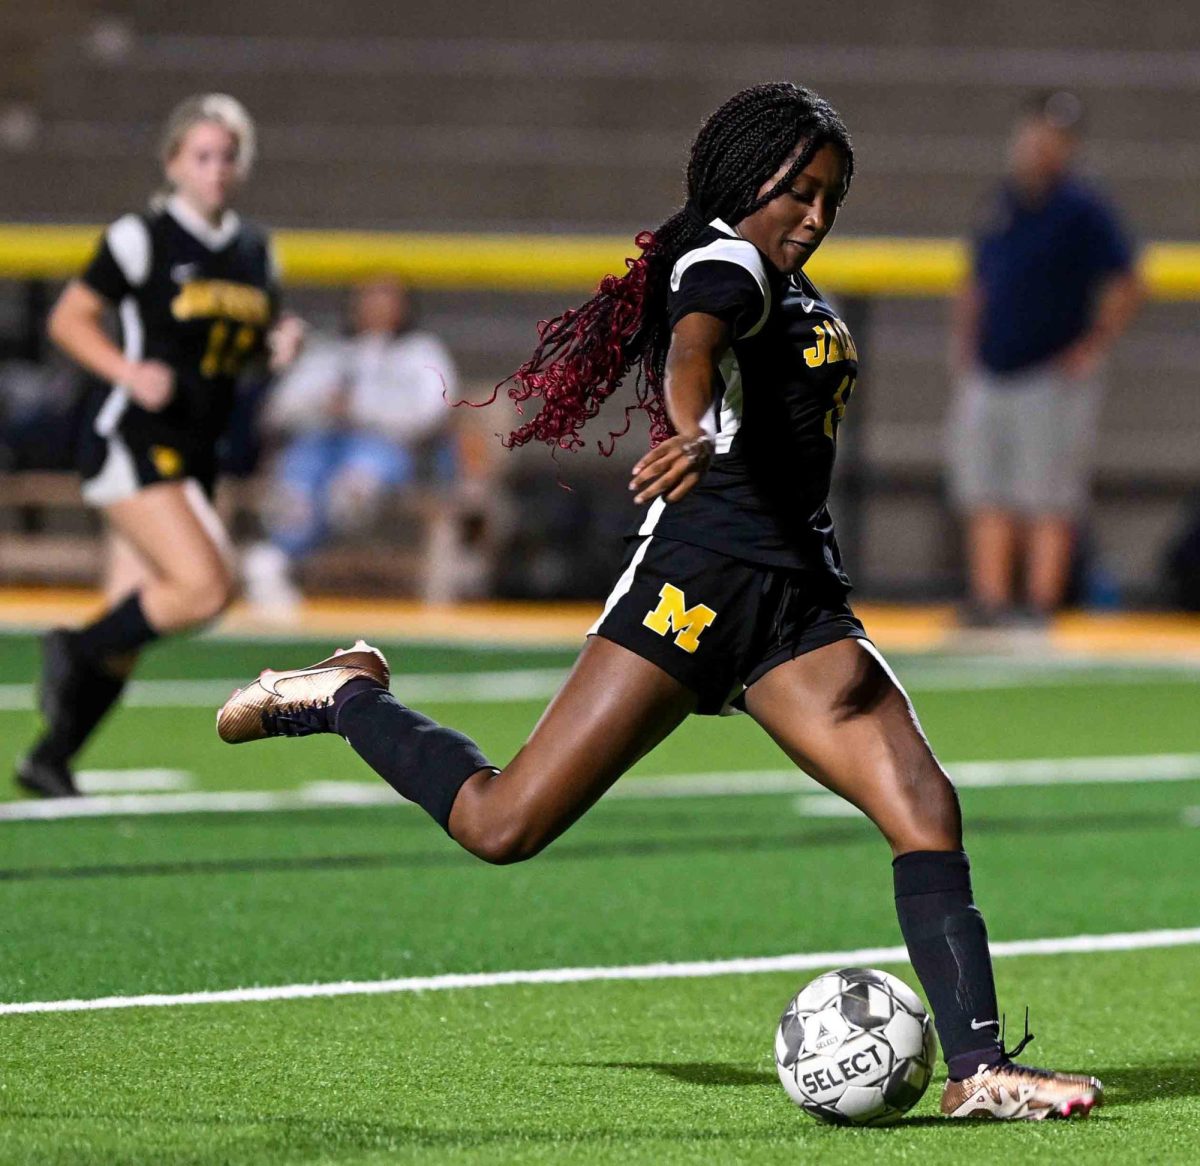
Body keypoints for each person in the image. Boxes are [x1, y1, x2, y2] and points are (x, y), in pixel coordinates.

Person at [217, 84, 1100, 1120]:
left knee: (924, 807)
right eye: (800, 191)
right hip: (698, 580)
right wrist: (684, 428)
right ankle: (346, 693)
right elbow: (693, 342)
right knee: (503, 823)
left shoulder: (790, 281)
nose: (815, 216)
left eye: (833, 201)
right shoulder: (725, 260)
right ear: (745, 176)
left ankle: (978, 1067)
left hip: (797, 604)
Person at [16, 93, 303, 798]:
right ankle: (71, 647)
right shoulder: (141, 236)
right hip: (132, 437)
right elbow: (69, 318)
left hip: (195, 451)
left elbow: (242, 351)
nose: (215, 169)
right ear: (174, 162)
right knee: (207, 586)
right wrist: (124, 369)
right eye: (201, 155)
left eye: (227, 157)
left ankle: (50, 757)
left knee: (135, 621)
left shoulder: (253, 251)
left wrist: (276, 347)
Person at [948, 91, 1140, 626]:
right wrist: (966, 343)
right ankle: (989, 601)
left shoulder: (1083, 209)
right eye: (1035, 135)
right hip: (992, 368)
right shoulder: (1003, 201)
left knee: (1047, 493)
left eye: (1054, 139)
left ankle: (1039, 603)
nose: (1041, 147)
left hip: (1050, 373)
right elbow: (977, 280)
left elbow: (1128, 281)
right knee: (986, 488)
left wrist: (1092, 346)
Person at [242, 278, 458, 612]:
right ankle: (278, 557)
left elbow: (433, 411)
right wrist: (321, 405)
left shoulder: (420, 352)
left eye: (385, 298)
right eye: (367, 298)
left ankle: (285, 552)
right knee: (295, 489)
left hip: (387, 449)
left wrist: (363, 410)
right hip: (321, 445)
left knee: (351, 488)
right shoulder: (329, 350)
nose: (375, 307)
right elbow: (279, 408)